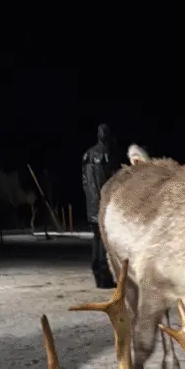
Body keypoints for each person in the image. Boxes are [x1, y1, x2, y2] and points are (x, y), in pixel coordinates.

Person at [82, 123, 117, 288]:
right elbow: (111, 180)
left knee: (96, 239)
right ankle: (104, 276)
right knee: (103, 241)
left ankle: (97, 273)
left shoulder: (87, 154)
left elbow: (84, 181)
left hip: (91, 204)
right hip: (103, 204)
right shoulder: (106, 154)